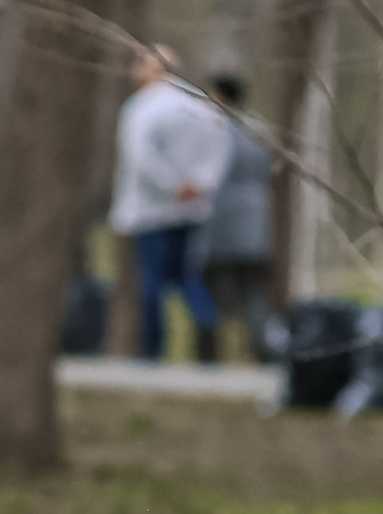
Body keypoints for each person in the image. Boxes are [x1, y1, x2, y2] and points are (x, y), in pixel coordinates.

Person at [109, 44, 229, 362]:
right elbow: (219, 148)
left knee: (152, 280)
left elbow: (141, 157)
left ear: (155, 70)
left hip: (151, 210)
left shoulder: (142, 107)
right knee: (185, 276)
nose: (136, 70)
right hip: (191, 209)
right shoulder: (200, 105)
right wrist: (199, 186)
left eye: (142, 64)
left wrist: (172, 186)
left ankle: (151, 350)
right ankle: (206, 328)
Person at [199, 73, 271, 364]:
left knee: (211, 291)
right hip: (256, 225)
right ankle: (263, 350)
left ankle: (208, 354)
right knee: (254, 293)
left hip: (221, 225)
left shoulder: (214, 129)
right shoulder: (259, 130)